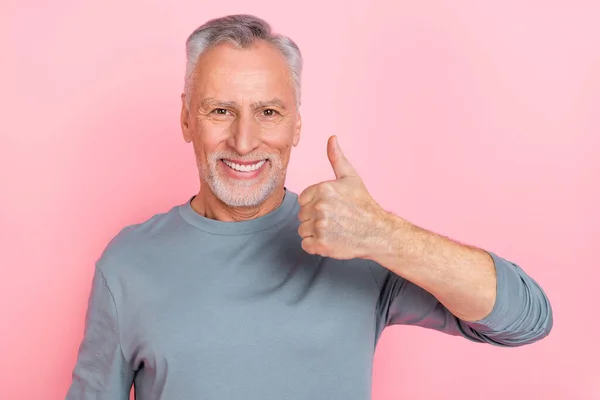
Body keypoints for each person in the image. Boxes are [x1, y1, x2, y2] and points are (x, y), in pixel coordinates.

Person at [65, 14, 553, 400]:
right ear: (187, 119)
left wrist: (385, 236)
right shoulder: (128, 264)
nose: (244, 140)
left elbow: (525, 319)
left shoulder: (356, 243)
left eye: (269, 112)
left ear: (296, 125)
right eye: (220, 111)